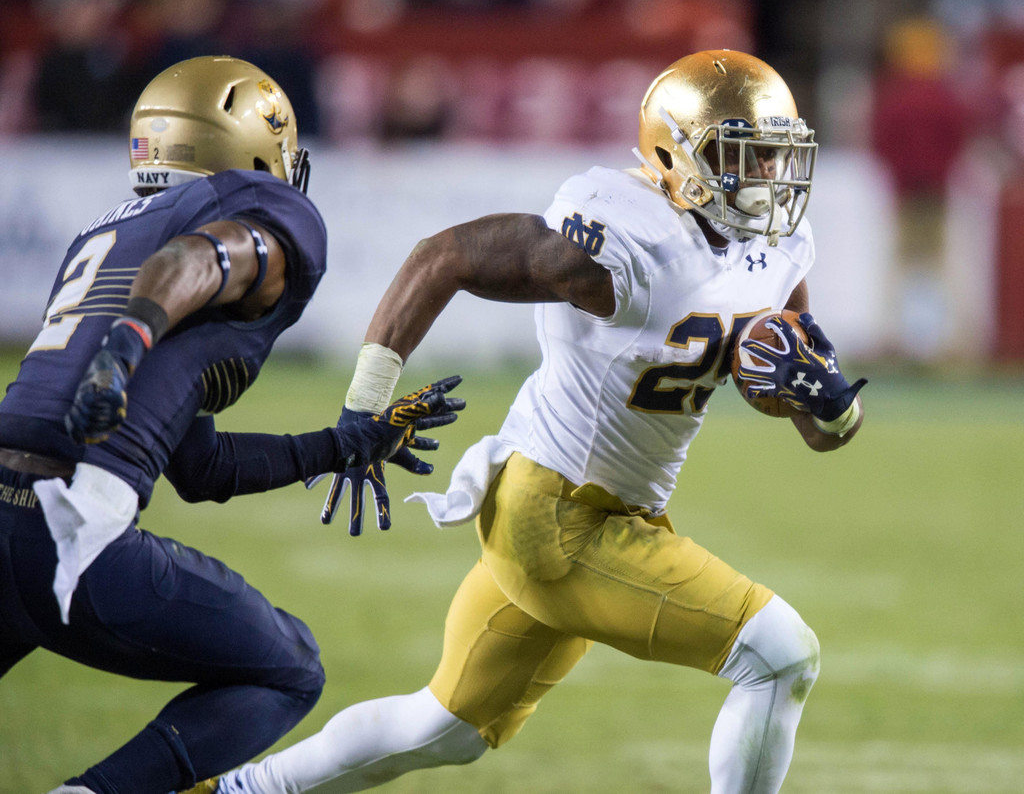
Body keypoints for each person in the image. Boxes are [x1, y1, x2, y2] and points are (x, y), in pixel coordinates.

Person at [201, 49, 866, 794]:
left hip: (607, 513)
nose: (771, 177)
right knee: (781, 655)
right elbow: (441, 256)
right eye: (747, 156)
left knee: (440, 727)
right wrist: (362, 407)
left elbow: (810, 412)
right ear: (677, 156)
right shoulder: (628, 241)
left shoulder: (775, 243)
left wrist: (834, 401)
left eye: (777, 154)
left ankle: (228, 791)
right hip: (556, 515)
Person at [0, 55, 463, 794]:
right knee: (289, 668)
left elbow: (202, 468)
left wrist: (343, 445)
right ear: (246, 146)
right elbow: (207, 257)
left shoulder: (107, 234)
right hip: (72, 524)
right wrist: (125, 345)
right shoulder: (257, 216)